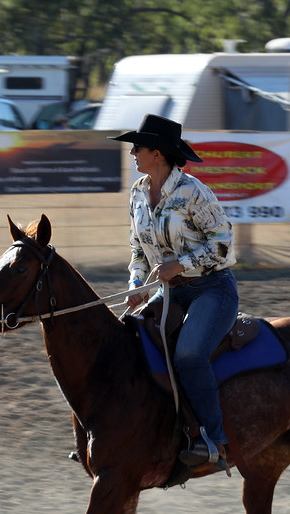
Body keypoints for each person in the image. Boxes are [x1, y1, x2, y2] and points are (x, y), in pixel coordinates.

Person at [109, 114, 238, 470]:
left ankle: (214, 442)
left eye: (138, 146)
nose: (132, 152)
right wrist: (137, 284)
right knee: (127, 346)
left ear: (158, 153)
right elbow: (137, 249)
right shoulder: (136, 194)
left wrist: (179, 265)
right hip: (165, 291)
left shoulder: (193, 192)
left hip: (212, 288)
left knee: (190, 354)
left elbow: (224, 244)